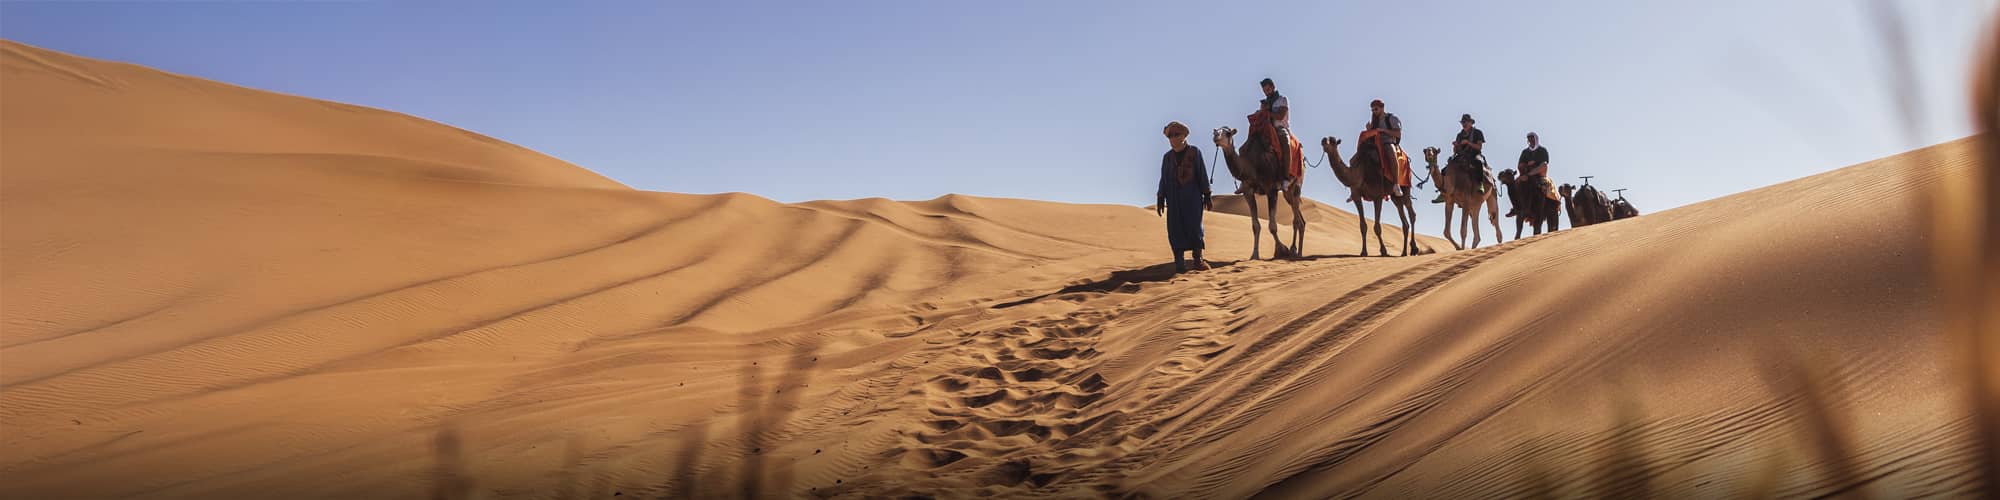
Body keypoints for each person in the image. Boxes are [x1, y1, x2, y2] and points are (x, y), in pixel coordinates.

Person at [1157, 121, 1212, 272]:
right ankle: (1179, 264)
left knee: (1195, 227)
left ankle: (1198, 260)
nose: (1173, 138)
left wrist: (1207, 194)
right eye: (1170, 135)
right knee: (1175, 229)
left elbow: (1202, 173)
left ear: (1183, 136)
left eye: (1176, 135)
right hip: (1173, 199)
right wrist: (1160, 196)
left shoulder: (1194, 152)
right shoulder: (1167, 157)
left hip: (1192, 197)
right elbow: (1163, 178)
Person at [1436, 113, 1487, 203]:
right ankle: (1443, 192)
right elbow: (1456, 151)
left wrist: (1468, 142)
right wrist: (1455, 147)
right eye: (1463, 122)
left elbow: (1479, 147)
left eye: (1466, 122)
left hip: (1474, 155)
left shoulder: (1477, 133)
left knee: (1478, 163)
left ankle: (1480, 184)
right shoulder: (1459, 135)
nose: (1464, 124)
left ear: (1471, 123)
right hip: (1462, 156)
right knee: (1445, 170)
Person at [1255, 78, 1293, 178]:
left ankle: (1286, 177)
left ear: (1273, 87)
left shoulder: (1282, 99)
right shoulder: (1264, 103)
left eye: (1267, 90)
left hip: (1279, 128)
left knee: (1286, 142)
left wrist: (1267, 112)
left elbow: (1280, 116)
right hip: (1266, 129)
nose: (1266, 93)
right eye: (1264, 91)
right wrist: (1259, 113)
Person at [1518, 131, 1554, 204]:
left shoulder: (1542, 150)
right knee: (1515, 183)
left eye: (1532, 138)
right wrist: (1526, 165)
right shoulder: (1525, 152)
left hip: (1539, 172)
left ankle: (1553, 203)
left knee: (1544, 165)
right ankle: (1516, 206)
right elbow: (1520, 163)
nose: (1531, 140)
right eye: (1529, 138)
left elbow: (1545, 161)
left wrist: (1535, 162)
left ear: (1536, 139)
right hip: (1526, 171)